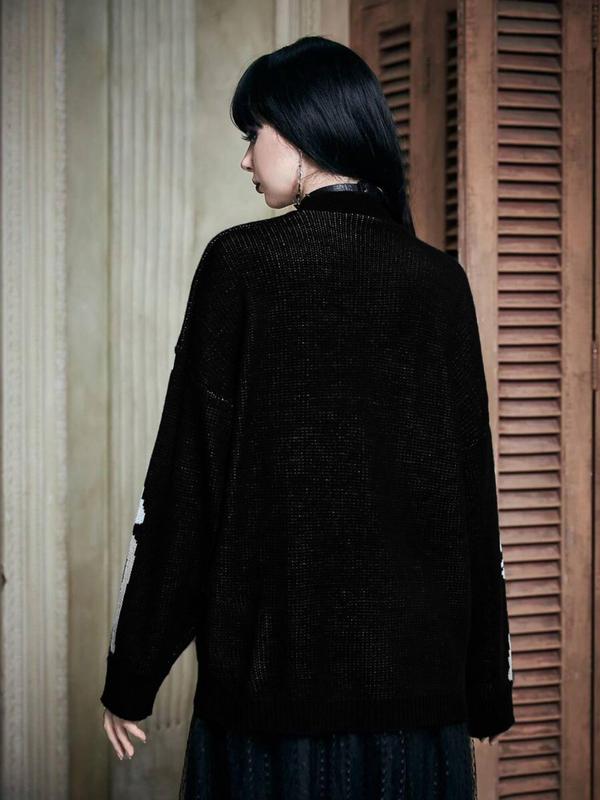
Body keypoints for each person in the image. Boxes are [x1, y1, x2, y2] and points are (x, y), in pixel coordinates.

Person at [101, 35, 514, 798]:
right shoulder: (439, 283)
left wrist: (133, 673)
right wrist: (488, 683)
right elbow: (472, 500)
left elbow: (185, 489)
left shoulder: (241, 264)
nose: (245, 159)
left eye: (252, 133)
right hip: (417, 720)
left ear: (301, 131)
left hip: (269, 716)